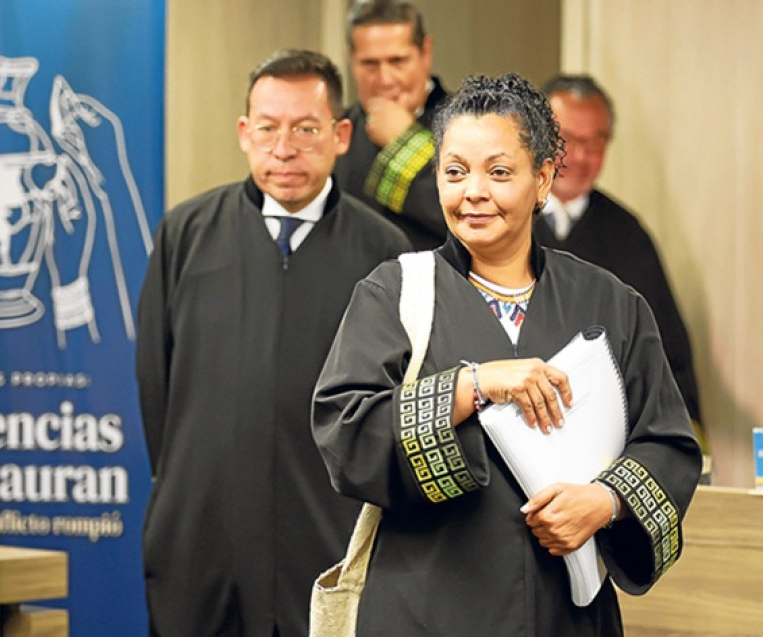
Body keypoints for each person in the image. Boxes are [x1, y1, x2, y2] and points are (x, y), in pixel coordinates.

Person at [312, 73, 702, 635]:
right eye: (454, 171)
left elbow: (669, 442)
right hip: (423, 610)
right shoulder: (394, 293)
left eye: (498, 172)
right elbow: (345, 436)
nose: (473, 191)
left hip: (566, 614)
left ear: (543, 178)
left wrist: (607, 502)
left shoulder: (612, 303)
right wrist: (471, 385)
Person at [136, 50, 411, 636]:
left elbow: (392, 408)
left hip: (325, 545)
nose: (283, 148)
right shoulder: (185, 236)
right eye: (267, 128)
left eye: (306, 129)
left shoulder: (384, 255)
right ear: (244, 133)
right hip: (199, 548)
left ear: (340, 135)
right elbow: (156, 392)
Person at [536, 74, 709, 459]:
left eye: (595, 142)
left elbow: (668, 358)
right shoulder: (502, 220)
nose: (580, 156)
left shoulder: (627, 234)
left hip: (609, 449)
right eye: (568, 140)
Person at [334, 0, 450, 250]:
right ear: (350, 59)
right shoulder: (336, 135)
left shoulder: (472, 124)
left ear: (425, 52)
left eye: (398, 61)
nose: (385, 79)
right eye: (370, 64)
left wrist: (405, 141)